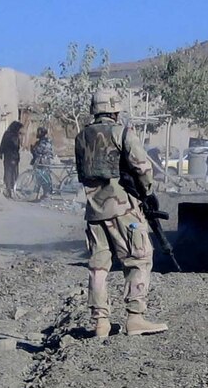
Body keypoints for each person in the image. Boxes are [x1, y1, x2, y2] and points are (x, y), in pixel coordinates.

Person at [75, 88, 168, 338]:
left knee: (98, 268)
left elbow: (82, 173)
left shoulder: (81, 137)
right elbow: (142, 167)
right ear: (115, 110)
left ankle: (100, 323)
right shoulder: (122, 133)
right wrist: (145, 193)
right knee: (139, 257)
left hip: (94, 211)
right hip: (122, 208)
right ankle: (135, 318)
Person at [0, 119, 23, 197]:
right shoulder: (14, 135)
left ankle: (9, 189)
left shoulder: (7, 134)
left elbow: (2, 144)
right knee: (12, 173)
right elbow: (15, 146)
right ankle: (11, 189)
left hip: (8, 156)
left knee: (8, 172)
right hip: (13, 156)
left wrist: (0, 153)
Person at [30, 126, 56, 197]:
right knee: (40, 177)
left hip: (43, 162)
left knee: (44, 177)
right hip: (41, 161)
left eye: (39, 132)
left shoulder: (45, 141)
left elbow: (40, 150)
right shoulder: (42, 141)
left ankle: (47, 193)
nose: (37, 133)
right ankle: (40, 193)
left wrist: (34, 149)